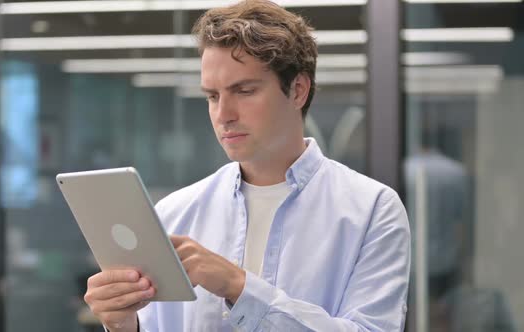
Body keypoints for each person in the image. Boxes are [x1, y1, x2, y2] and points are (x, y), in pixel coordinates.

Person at [83, 1, 411, 331]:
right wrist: (124, 325)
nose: (223, 114)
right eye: (212, 96)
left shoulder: (372, 210)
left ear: (297, 90)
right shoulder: (175, 213)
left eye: (244, 91)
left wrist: (238, 287)